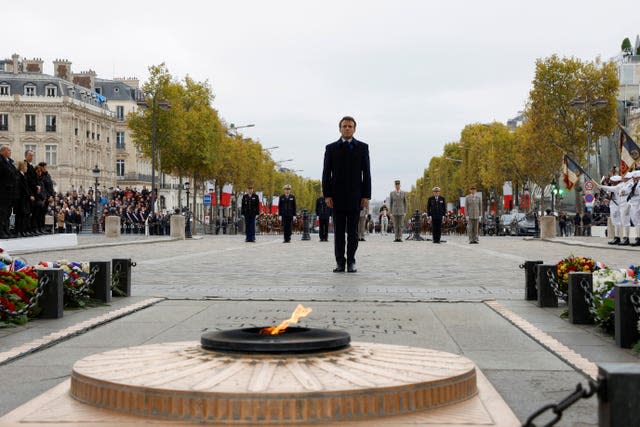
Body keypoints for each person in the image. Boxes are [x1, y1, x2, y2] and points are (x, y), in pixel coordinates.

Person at [322, 116, 371, 273]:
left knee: (353, 232)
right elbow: (326, 174)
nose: (347, 128)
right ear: (340, 129)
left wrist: (366, 196)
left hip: (356, 197)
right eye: (344, 126)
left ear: (354, 129)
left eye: (350, 126)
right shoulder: (331, 148)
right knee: (338, 233)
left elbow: (367, 173)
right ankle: (339, 262)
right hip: (336, 198)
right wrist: (327, 195)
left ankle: (351, 261)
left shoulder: (362, 147)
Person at [0, 145, 18, 238]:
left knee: (7, 213)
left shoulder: (10, 162)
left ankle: (6, 230)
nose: (10, 152)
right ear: (2, 151)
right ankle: (1, 231)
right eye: (8, 150)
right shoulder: (1, 161)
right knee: (2, 212)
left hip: (10, 192)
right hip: (3, 191)